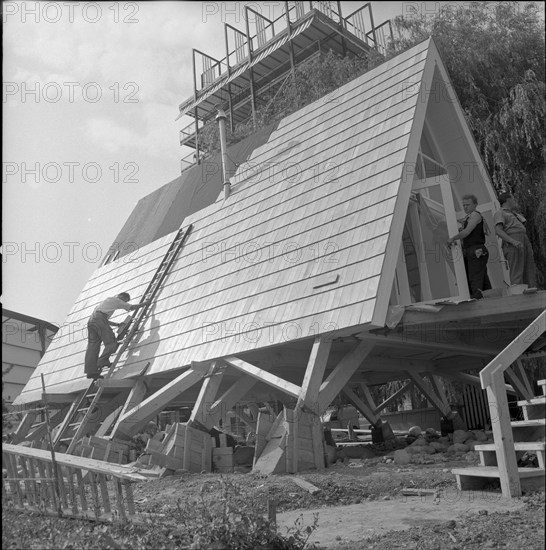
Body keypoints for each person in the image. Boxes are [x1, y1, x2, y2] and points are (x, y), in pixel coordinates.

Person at [84, 292, 150, 380]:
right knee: (112, 342)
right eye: (125, 300)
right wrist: (145, 304)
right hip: (99, 320)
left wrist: (117, 324)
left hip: (92, 322)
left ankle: (90, 371)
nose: (124, 302)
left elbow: (102, 318)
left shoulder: (107, 302)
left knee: (93, 347)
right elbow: (131, 307)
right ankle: (102, 361)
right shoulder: (117, 300)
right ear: (122, 297)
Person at [446, 194, 491, 299]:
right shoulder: (468, 217)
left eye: (468, 204)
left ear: (475, 204)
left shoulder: (475, 215)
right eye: (464, 205)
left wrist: (453, 238)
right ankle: (489, 298)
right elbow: (463, 225)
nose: (465, 207)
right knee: (482, 277)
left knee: (475, 278)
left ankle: (477, 300)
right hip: (472, 250)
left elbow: (467, 231)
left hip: (476, 249)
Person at [494, 192, 537, 287]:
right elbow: (498, 230)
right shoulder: (500, 213)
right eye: (513, 199)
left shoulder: (513, 213)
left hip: (523, 239)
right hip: (513, 240)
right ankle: (518, 295)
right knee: (517, 270)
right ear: (508, 200)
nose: (514, 201)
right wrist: (513, 241)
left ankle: (531, 292)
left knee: (529, 268)